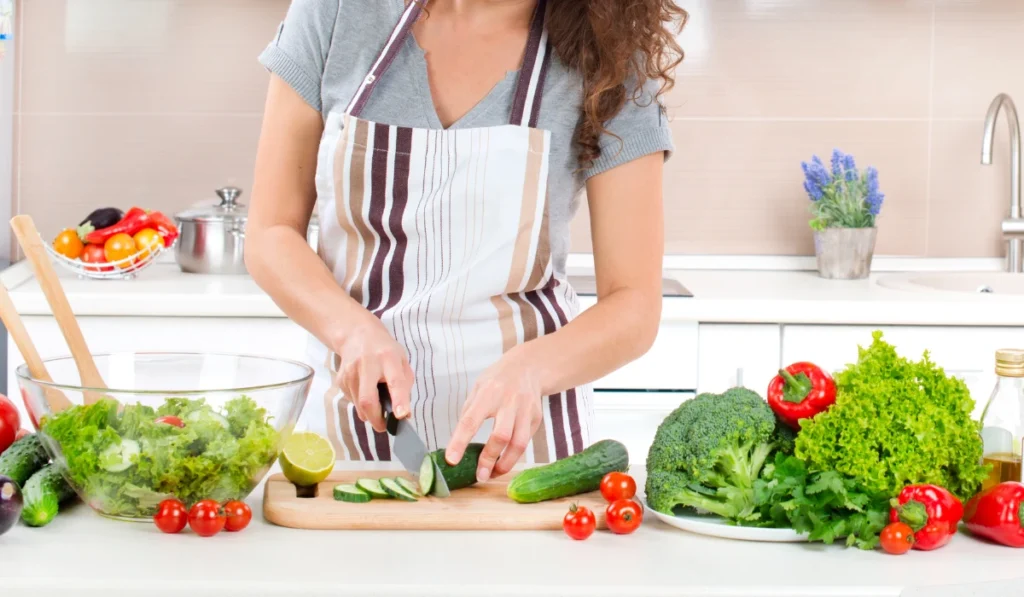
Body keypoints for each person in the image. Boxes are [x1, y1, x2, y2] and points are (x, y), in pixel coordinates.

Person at [246, 0, 686, 483]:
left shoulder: (611, 53)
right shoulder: (337, 12)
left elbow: (635, 305)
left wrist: (534, 369)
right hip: (349, 444)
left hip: (521, 459)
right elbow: (271, 233)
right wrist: (351, 331)